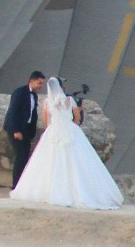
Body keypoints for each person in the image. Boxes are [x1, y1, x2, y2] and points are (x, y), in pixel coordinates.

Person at [10, 76, 122, 210]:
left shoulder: (47, 102)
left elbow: (46, 121)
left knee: (49, 161)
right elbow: (78, 118)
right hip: (70, 130)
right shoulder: (70, 100)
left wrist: (55, 126)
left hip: (53, 131)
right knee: (78, 160)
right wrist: (71, 126)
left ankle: (49, 191)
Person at [3, 71, 47, 187]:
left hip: (26, 129)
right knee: (20, 156)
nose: (41, 86)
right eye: (39, 83)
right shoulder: (20, 92)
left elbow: (32, 113)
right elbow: (13, 112)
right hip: (16, 129)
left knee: (25, 157)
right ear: (31, 81)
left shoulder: (34, 95)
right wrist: (16, 130)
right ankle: (16, 184)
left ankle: (22, 184)